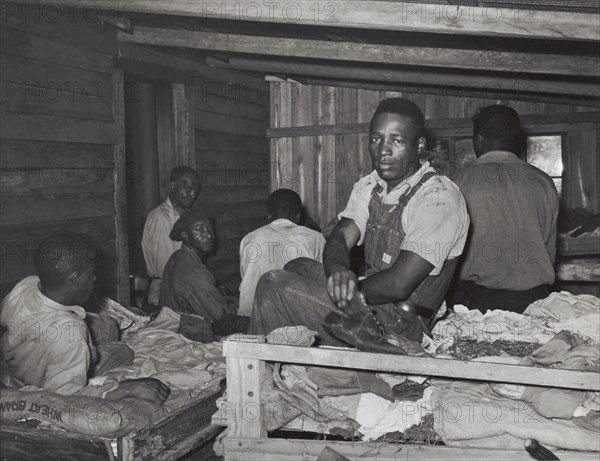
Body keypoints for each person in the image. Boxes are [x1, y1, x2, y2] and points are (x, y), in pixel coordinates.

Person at [249, 98, 469, 353]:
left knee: (273, 285)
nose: (382, 151)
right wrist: (339, 273)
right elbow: (340, 237)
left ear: (419, 145)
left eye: (396, 140)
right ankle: (338, 336)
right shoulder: (371, 186)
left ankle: (253, 370)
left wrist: (349, 290)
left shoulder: (438, 198)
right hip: (369, 305)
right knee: (295, 265)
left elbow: (399, 284)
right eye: (376, 139)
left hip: (400, 322)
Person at [0, 233, 169, 403]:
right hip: (44, 380)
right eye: (92, 273)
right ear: (74, 278)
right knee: (123, 351)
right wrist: (125, 390)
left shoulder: (26, 285)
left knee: (109, 327)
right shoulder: (70, 335)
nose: (95, 278)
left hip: (18, 362)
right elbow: (65, 400)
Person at [450, 105, 559, 313]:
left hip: (475, 306)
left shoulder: (458, 183)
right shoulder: (543, 182)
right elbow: (549, 252)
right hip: (535, 304)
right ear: (515, 139)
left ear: (479, 139)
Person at [160, 208, 249, 339]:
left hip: (173, 329)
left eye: (210, 229)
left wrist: (221, 296)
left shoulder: (177, 256)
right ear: (185, 235)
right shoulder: (197, 274)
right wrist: (244, 304)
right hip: (189, 338)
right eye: (200, 229)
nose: (208, 235)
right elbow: (223, 318)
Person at [238, 189, 326, 317]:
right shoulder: (315, 238)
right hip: (296, 319)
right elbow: (321, 284)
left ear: (269, 215)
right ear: (298, 216)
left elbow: (246, 280)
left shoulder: (248, 239)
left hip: (251, 318)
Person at [141, 166, 201, 306]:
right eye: (188, 190)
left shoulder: (182, 215)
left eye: (196, 192)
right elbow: (167, 268)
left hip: (180, 288)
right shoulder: (161, 218)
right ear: (173, 187)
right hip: (165, 292)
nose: (193, 195)